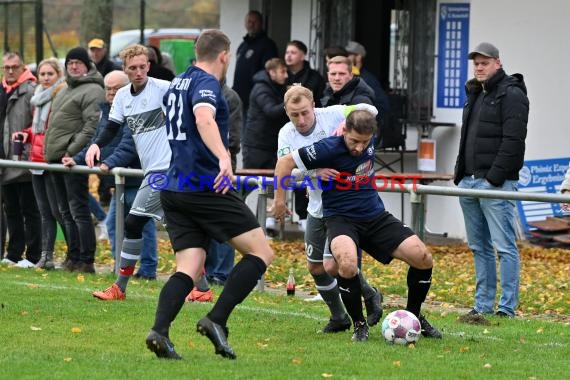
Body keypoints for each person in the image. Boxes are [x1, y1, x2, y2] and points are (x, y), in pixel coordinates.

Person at [145, 29, 274, 360]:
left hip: (174, 186)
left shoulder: (178, 83)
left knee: (190, 264)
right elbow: (203, 119)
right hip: (203, 185)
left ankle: (159, 331)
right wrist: (224, 156)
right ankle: (216, 319)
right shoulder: (207, 83)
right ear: (225, 55)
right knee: (261, 254)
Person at [272, 109, 442, 342]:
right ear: (344, 131)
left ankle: (414, 316)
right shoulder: (327, 148)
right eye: (354, 141)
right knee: (347, 265)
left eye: (365, 142)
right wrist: (280, 200)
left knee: (423, 257)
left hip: (375, 215)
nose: (359, 148)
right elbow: (284, 164)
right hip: (341, 218)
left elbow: (369, 108)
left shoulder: (369, 137)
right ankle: (359, 324)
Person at [277, 85, 383, 332]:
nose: (301, 120)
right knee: (315, 267)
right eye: (295, 115)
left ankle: (366, 297)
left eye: (305, 112)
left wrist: (346, 124)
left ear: (314, 106)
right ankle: (341, 316)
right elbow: (287, 172)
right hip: (316, 205)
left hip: (343, 206)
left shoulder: (334, 114)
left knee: (334, 265)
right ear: (286, 112)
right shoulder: (286, 134)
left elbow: (371, 109)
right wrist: (313, 172)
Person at [84, 45, 171, 299]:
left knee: (133, 223)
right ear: (125, 69)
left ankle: (119, 287)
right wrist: (96, 145)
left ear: (148, 66)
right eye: (133, 68)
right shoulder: (122, 96)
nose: (139, 72)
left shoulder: (163, 89)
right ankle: (202, 288)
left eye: (143, 67)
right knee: (178, 229)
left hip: (165, 170)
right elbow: (112, 128)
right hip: (152, 170)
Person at [454, 42, 529, 319]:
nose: (479, 67)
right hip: (469, 183)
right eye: (476, 63)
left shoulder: (512, 93)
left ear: (498, 62)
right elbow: (467, 138)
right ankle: (482, 307)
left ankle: (506, 309)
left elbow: (514, 141)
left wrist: (493, 179)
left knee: (504, 247)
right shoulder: (475, 92)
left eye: (484, 62)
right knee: (478, 247)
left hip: (494, 184)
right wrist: (460, 176)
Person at [72, 70, 158, 280]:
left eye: (115, 88)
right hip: (118, 179)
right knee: (113, 225)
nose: (111, 92)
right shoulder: (107, 111)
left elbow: (128, 146)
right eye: (108, 88)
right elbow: (98, 140)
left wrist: (110, 163)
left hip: (137, 177)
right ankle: (121, 266)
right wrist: (76, 159)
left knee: (143, 225)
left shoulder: (135, 110)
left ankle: (147, 270)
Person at [44, 46, 105, 273]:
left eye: (78, 62)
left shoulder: (93, 90)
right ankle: (73, 255)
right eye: (70, 63)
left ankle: (86, 259)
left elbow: (91, 127)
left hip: (72, 161)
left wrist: (72, 151)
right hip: (56, 159)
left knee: (78, 210)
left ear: (87, 65)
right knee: (63, 211)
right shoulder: (65, 90)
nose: (73, 66)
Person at [12, 58, 66, 269]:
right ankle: (46, 256)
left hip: (51, 160)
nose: (45, 78)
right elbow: (37, 130)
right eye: (42, 74)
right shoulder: (38, 97)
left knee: (58, 211)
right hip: (35, 160)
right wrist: (26, 135)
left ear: (58, 75)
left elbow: (53, 130)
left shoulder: (59, 95)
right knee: (45, 212)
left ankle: (75, 255)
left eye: (49, 74)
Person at [0, 52, 41, 267]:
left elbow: (38, 123)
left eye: (14, 67)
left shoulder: (31, 90)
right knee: (12, 210)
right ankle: (14, 253)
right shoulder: (2, 89)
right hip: (4, 160)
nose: (9, 71)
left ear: (22, 67)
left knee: (30, 210)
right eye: (6, 67)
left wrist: (25, 135)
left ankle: (33, 255)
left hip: (23, 158)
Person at [285, 40, 326, 231]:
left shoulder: (315, 78)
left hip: (314, 135)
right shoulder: (281, 75)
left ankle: (304, 217)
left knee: (309, 169)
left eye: (293, 52)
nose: (289, 56)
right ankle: (277, 217)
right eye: (287, 52)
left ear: (303, 55)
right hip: (289, 135)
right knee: (287, 170)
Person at [242, 58, 289, 170]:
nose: (286, 75)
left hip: (268, 144)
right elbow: (271, 111)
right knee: (252, 184)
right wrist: (290, 102)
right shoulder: (261, 88)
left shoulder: (276, 87)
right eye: (282, 71)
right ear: (272, 73)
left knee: (271, 184)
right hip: (257, 146)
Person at [233, 10, 278, 118]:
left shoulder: (268, 45)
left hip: (255, 101)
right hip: (239, 100)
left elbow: (269, 73)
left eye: (255, 22)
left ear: (261, 23)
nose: (251, 24)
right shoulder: (242, 46)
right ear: (245, 24)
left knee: (249, 133)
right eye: (249, 21)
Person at [345, 40, 390, 127]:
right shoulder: (348, 76)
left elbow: (383, 106)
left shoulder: (368, 80)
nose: (345, 58)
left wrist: (365, 121)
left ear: (358, 57)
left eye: (349, 55)